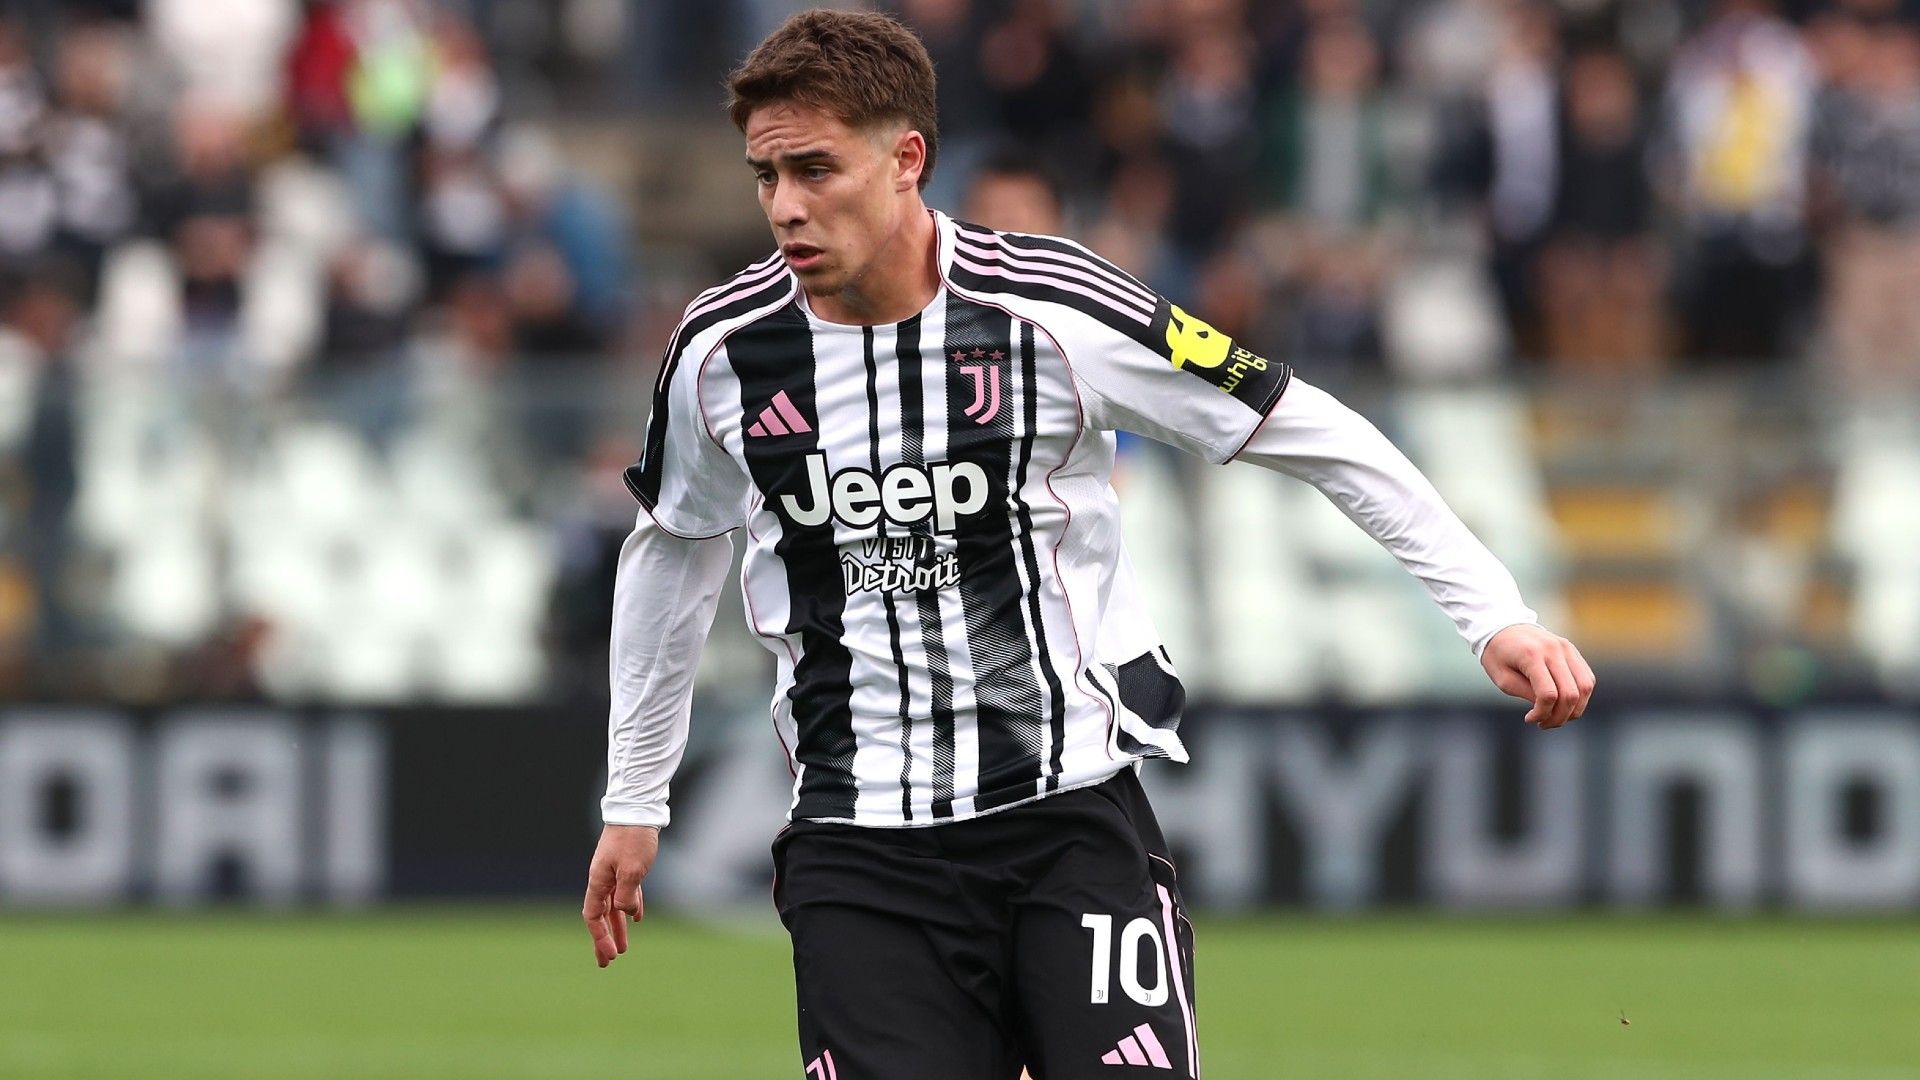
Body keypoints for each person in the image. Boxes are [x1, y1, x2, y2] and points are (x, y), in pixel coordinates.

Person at [581, 10, 1595, 1079]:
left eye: (815, 169)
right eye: (766, 175)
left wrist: (1492, 613)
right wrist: (635, 796)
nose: (786, 205)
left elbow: (1305, 425)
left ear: (907, 159)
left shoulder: (1055, 310)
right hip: (859, 843)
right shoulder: (723, 353)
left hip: (1064, 819)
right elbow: (673, 552)